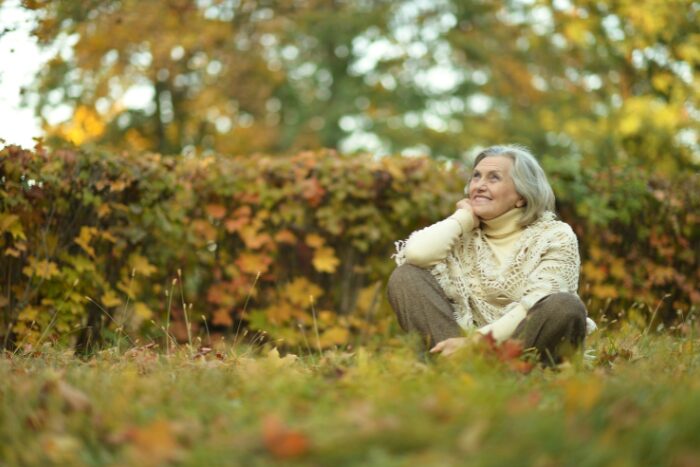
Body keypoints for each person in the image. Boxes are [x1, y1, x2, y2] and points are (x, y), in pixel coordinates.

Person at [387, 145, 596, 365]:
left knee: (564, 305)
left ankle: (504, 373)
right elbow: (415, 254)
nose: (479, 185)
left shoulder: (554, 235)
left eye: (493, 178)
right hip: (461, 351)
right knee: (405, 276)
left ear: (522, 197)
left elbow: (538, 300)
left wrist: (476, 343)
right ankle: (457, 370)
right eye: (476, 177)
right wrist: (462, 218)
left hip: (525, 350)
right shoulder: (461, 233)